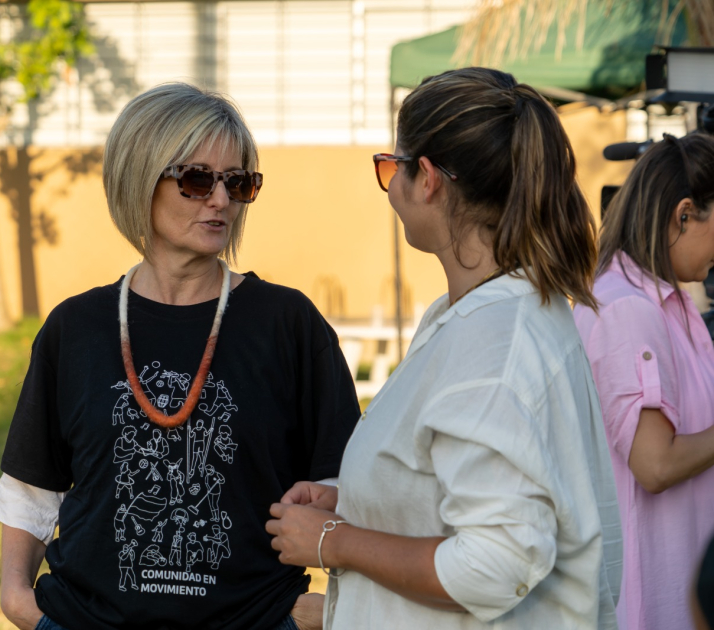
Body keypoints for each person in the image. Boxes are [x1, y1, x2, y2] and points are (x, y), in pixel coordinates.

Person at [0, 82, 360, 630]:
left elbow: (353, 485)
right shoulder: (77, 327)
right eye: (196, 179)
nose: (220, 199)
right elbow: (31, 488)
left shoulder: (287, 323)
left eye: (238, 183)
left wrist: (313, 611)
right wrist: (18, 601)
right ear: (140, 178)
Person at [266, 67, 622, 629]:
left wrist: (336, 541)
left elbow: (494, 564)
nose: (390, 187)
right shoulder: (481, 314)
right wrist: (354, 498)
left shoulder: (495, 345)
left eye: (391, 169)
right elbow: (464, 488)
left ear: (427, 178)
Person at [574, 133, 714, 630]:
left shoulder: (666, 303)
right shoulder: (627, 308)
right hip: (650, 603)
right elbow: (654, 464)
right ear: (683, 214)